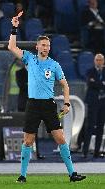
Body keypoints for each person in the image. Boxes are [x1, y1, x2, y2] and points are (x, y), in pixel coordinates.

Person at [8, 12, 86, 183]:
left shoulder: (54, 64)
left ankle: (72, 174)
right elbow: (12, 47)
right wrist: (14, 28)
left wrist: (66, 103)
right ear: (37, 47)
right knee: (28, 141)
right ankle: (22, 176)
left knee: (60, 139)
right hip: (33, 105)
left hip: (49, 105)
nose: (45, 48)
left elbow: (65, 85)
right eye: (43, 45)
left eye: (48, 45)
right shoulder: (29, 59)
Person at [16, 66, 45, 160]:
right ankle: (23, 152)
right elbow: (22, 86)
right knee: (24, 128)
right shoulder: (19, 72)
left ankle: (36, 153)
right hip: (23, 105)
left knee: (34, 128)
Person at [83, 53, 105, 159]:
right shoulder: (89, 71)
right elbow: (90, 84)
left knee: (100, 127)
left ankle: (97, 152)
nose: (99, 62)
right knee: (90, 127)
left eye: (101, 60)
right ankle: (85, 152)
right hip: (93, 102)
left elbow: (95, 84)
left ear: (103, 61)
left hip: (103, 103)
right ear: (94, 61)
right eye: (97, 60)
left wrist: (97, 83)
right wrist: (102, 84)